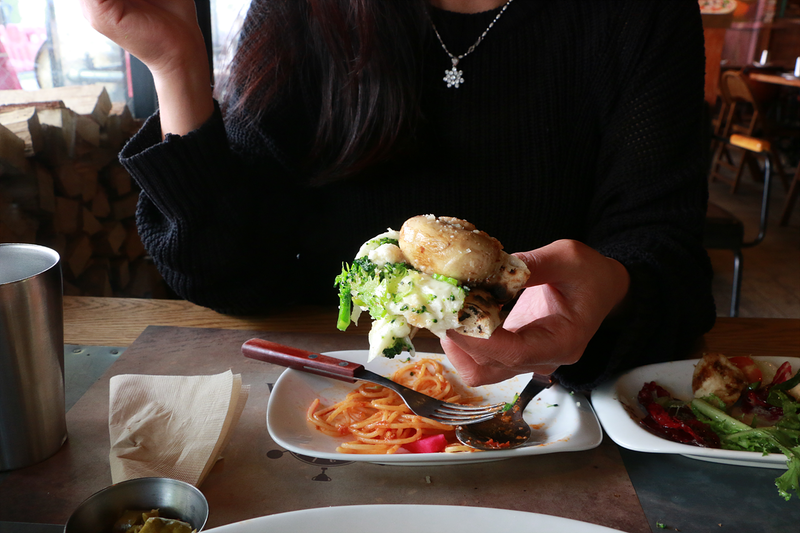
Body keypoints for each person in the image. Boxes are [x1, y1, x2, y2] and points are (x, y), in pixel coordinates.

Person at [78, 0, 716, 390]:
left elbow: (673, 263)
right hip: (322, 404)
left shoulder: (641, 13)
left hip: (562, 411)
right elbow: (230, 273)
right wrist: (176, 66)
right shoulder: (302, 8)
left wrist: (618, 289)